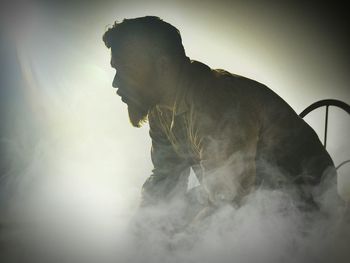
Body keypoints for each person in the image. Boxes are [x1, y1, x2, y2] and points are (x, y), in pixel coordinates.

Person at [102, 16, 336, 214]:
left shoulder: (216, 104)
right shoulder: (161, 111)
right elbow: (165, 180)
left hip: (303, 213)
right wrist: (140, 229)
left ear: (163, 67)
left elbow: (228, 207)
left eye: (125, 71)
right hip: (244, 204)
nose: (115, 83)